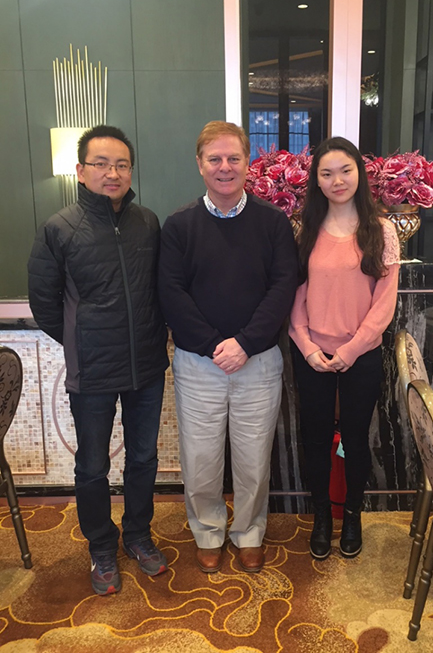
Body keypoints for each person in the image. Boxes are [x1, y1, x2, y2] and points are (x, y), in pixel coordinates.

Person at [28, 125, 169, 595]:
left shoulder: (147, 222)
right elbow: (44, 303)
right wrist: (80, 342)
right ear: (81, 170)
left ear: (131, 171)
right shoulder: (59, 228)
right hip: (91, 373)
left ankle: (137, 535)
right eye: (102, 164)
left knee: (143, 458)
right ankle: (101, 546)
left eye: (122, 165)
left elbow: (160, 289)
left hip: (146, 365)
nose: (113, 173)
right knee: (92, 466)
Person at [158, 121, 297, 574]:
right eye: (214, 159)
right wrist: (215, 345)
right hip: (199, 363)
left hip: (258, 361)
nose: (224, 167)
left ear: (247, 163)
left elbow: (283, 287)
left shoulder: (272, 222)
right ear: (199, 165)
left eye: (233, 158)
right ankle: (208, 531)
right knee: (201, 459)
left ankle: (250, 532)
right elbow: (171, 293)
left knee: (254, 458)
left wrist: (245, 343)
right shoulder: (179, 226)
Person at [289, 136, 400, 560]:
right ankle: (321, 516)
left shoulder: (381, 231)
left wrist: (352, 351)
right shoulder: (305, 230)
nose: (337, 180)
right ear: (316, 181)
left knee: (355, 440)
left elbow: (384, 304)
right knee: (315, 440)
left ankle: (352, 515)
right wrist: (306, 345)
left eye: (345, 171)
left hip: (362, 355)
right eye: (327, 173)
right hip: (311, 356)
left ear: (360, 174)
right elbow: (295, 298)